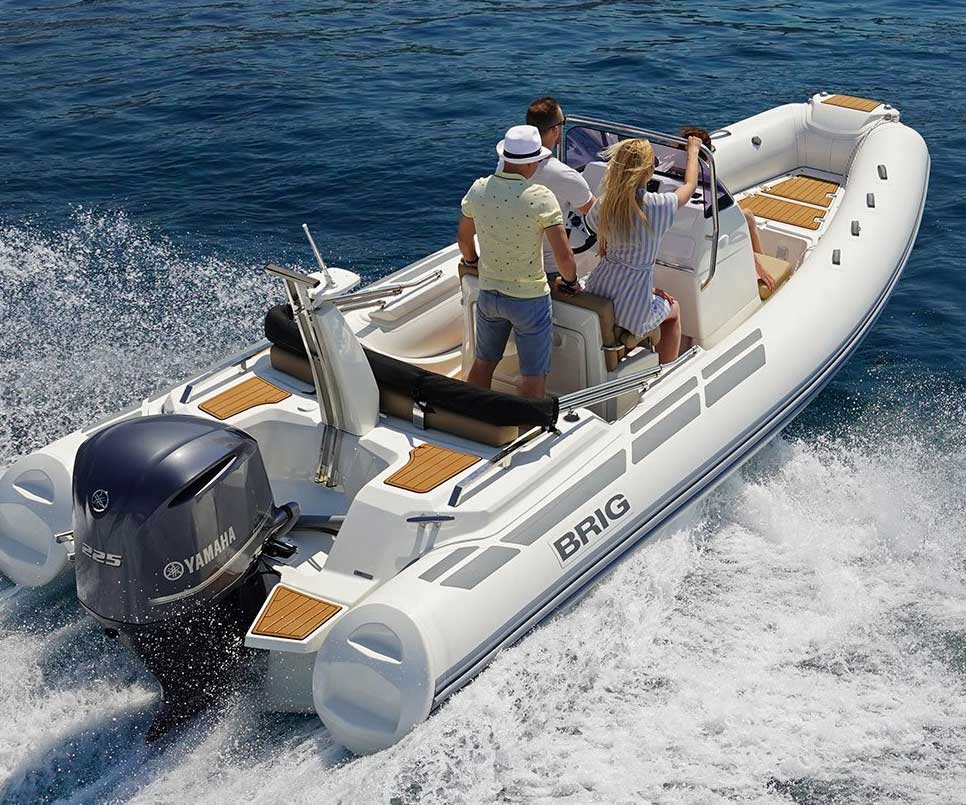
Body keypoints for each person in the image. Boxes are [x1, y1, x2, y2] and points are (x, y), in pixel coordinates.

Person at [458, 125, 579, 399]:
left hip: (489, 294)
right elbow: (564, 257)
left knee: (484, 363)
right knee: (533, 375)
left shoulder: (479, 189)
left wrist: (473, 262)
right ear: (531, 162)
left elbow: (464, 240)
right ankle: (526, 425)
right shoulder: (541, 197)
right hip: (529, 301)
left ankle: (471, 415)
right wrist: (571, 282)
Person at [584, 136, 704, 364]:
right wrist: (693, 151)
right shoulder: (658, 205)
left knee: (654, 296)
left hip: (599, 288)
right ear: (649, 170)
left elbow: (596, 232)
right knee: (674, 309)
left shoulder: (605, 202)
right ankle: (667, 369)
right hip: (633, 304)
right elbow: (690, 186)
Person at [679, 126, 776, 294]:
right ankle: (762, 261)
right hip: (703, 240)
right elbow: (729, 230)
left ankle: (761, 258)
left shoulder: (667, 177)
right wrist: (759, 268)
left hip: (685, 233)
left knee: (747, 215)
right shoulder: (705, 187)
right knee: (742, 220)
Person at [525, 97, 596, 282]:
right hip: (547, 271)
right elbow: (596, 215)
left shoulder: (507, 165)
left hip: (512, 260)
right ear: (556, 130)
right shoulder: (565, 175)